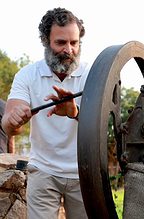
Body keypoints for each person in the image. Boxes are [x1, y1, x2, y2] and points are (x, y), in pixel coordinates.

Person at [1, 8, 89, 219]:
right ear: (45, 41)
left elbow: (106, 125)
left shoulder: (92, 74)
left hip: (84, 173)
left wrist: (74, 111)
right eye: (61, 43)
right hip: (43, 170)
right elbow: (8, 125)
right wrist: (13, 119)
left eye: (74, 43)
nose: (69, 50)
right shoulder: (27, 75)